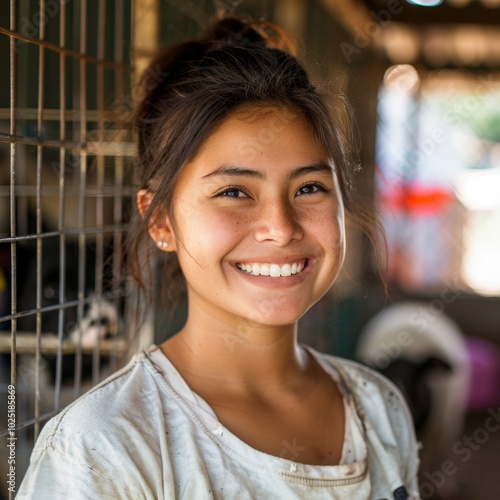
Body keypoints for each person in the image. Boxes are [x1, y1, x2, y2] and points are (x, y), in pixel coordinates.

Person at [18, 16, 420, 499]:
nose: (280, 227)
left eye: (309, 187)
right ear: (161, 220)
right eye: (234, 191)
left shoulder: (379, 409)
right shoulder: (103, 448)